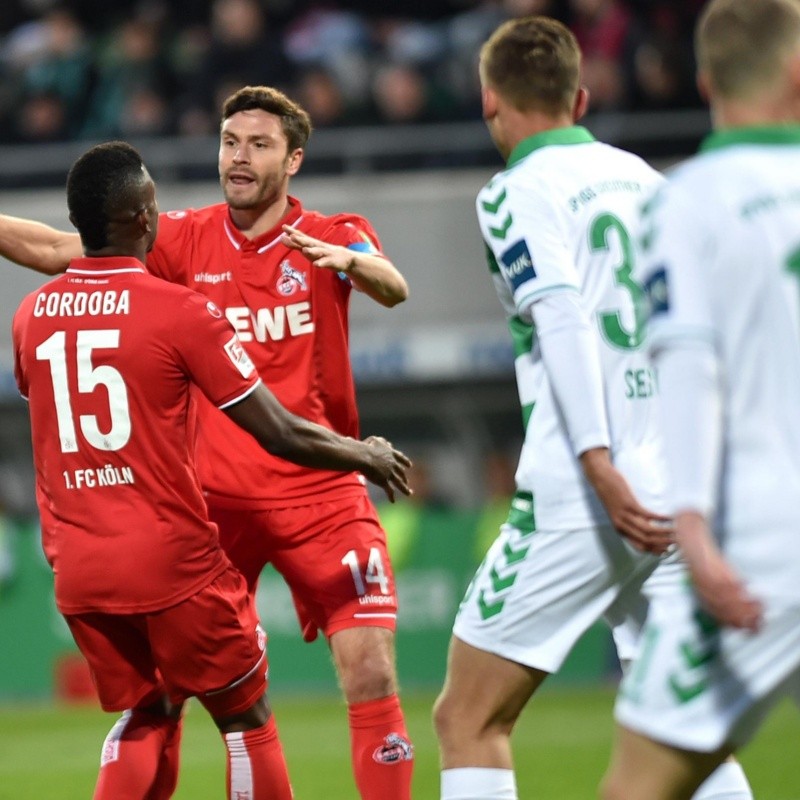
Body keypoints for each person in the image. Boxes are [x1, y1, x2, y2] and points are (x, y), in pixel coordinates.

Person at [0, 85, 414, 799]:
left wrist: (348, 263)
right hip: (213, 502)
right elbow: (62, 249)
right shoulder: (183, 239)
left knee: (370, 667)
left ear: (294, 160)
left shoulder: (334, 230)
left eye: (258, 144)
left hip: (320, 493)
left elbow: (392, 283)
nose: (239, 157)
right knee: (169, 696)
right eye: (230, 142)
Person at [431, 16, 753, 800]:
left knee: (468, 717)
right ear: (579, 97)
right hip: (679, 484)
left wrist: (596, 463)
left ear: (489, 102)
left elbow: (563, 316)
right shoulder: (651, 182)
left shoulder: (513, 193)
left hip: (585, 494)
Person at [601, 1, 800, 798]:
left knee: (640, 785)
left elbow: (688, 369)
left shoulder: (686, 199)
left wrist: (693, 529)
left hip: (759, 541)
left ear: (706, 79)